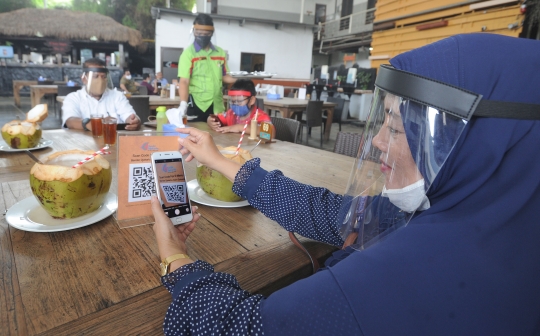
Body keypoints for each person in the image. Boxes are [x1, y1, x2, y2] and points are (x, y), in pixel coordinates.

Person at [151, 34, 540, 335]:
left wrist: (174, 257)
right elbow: (335, 213)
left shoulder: (411, 278)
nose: (376, 140)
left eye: (397, 126)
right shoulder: (482, 213)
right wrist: (228, 166)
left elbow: (240, 326)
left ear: (472, 143)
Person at [178, 13, 237, 122]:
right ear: (194, 32)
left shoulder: (220, 53)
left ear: (212, 33)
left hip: (217, 105)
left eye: (206, 34)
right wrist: (183, 104)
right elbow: (184, 81)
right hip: (197, 105)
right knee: (197, 136)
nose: (202, 36)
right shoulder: (188, 54)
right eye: (199, 33)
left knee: (218, 137)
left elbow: (224, 76)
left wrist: (243, 78)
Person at [62, 58, 141, 131]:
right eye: (95, 76)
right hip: (84, 144)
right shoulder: (73, 98)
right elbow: (70, 121)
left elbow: (129, 114)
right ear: (84, 79)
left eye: (103, 76)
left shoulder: (117, 96)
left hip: (114, 143)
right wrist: (94, 123)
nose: (100, 80)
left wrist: (134, 121)